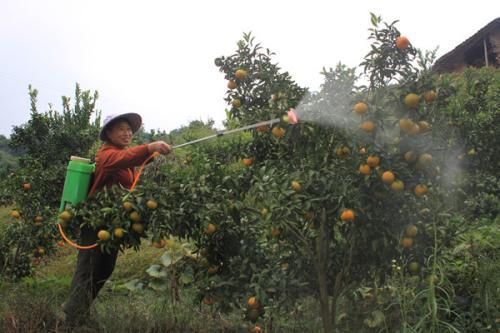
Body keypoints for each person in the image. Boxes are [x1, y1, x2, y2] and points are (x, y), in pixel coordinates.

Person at [62, 112, 171, 328]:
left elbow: (130, 166)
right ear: (108, 133)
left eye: (129, 129)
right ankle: (71, 319)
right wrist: (149, 148)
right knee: (88, 269)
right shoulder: (106, 155)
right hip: (95, 223)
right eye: (121, 128)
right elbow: (123, 159)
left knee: (104, 268)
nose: (127, 132)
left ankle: (78, 310)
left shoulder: (123, 156)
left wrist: (152, 159)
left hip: (111, 226)